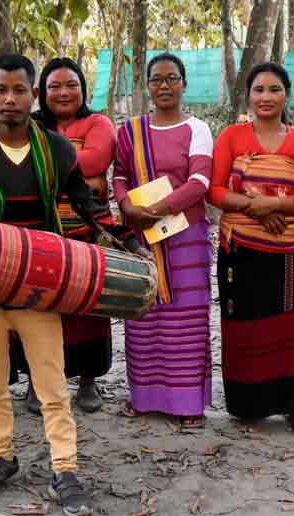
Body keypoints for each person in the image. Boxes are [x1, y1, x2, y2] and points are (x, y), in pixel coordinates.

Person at [0, 54, 101, 515]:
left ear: (34, 95)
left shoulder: (56, 148)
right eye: (0, 90)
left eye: (19, 90)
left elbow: (83, 199)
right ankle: (1, 456)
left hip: (39, 284)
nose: (9, 99)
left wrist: (123, 237)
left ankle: (65, 468)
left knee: (52, 385)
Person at [208, 62, 294, 435]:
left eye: (274, 89)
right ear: (248, 95)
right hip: (240, 248)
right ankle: (248, 405)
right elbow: (216, 191)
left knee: (289, 328)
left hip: (287, 251)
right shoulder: (231, 137)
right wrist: (258, 207)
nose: (266, 97)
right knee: (244, 327)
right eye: (259, 90)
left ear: (286, 93)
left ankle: (293, 406)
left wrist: (272, 206)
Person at [114, 52, 213, 430]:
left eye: (172, 78)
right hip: (141, 236)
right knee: (145, 316)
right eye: (157, 79)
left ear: (184, 83)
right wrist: (126, 205)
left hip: (186, 239)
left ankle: (188, 404)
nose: (165, 86)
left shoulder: (198, 129)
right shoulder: (131, 131)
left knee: (186, 320)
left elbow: (199, 182)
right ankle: (144, 398)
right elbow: (120, 174)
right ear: (147, 86)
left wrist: (160, 208)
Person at [19, 57, 116, 415]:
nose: (62, 92)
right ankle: (36, 380)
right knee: (37, 308)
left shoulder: (98, 122)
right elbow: (20, 164)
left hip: (85, 235)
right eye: (54, 86)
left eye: (71, 84)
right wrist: (78, 177)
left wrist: (44, 171)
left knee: (87, 307)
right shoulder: (29, 124)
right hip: (37, 237)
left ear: (83, 89)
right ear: (42, 92)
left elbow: (95, 161)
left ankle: (88, 380)